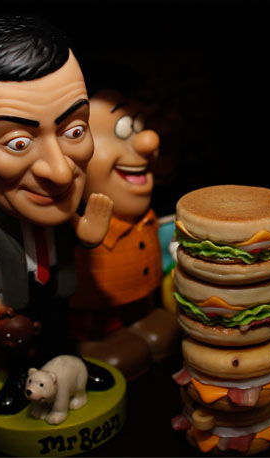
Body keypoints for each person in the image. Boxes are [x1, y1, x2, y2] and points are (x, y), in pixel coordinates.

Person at [0, 14, 114, 413]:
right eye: (18, 142)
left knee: (58, 326)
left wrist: (86, 234)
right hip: (16, 295)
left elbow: (73, 233)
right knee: (21, 339)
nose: (59, 172)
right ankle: (22, 377)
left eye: (74, 131)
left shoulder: (66, 206)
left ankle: (70, 366)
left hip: (59, 285)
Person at [70, 89, 180, 378]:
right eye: (122, 130)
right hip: (98, 315)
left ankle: (140, 317)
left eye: (140, 126)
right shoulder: (75, 223)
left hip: (144, 300)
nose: (147, 141)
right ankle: (98, 336)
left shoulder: (149, 216)